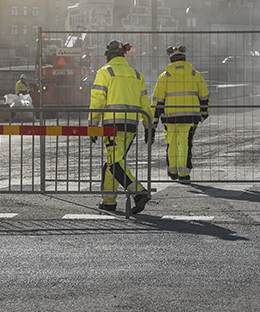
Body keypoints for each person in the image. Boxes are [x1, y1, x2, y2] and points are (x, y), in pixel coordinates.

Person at [89, 40, 154, 214]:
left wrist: (93, 124)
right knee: (112, 162)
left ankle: (138, 192)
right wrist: (149, 125)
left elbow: (98, 100)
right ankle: (108, 201)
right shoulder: (136, 74)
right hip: (131, 126)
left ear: (109, 55)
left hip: (112, 126)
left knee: (115, 162)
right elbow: (144, 103)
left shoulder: (105, 72)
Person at [151, 45, 209, 183]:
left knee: (171, 144)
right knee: (185, 144)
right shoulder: (195, 74)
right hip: (190, 117)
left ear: (171, 60)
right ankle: (184, 174)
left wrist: (153, 122)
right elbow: (205, 96)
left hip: (170, 118)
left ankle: (173, 171)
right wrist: (204, 113)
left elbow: (157, 101)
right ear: (184, 58)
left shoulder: (164, 76)